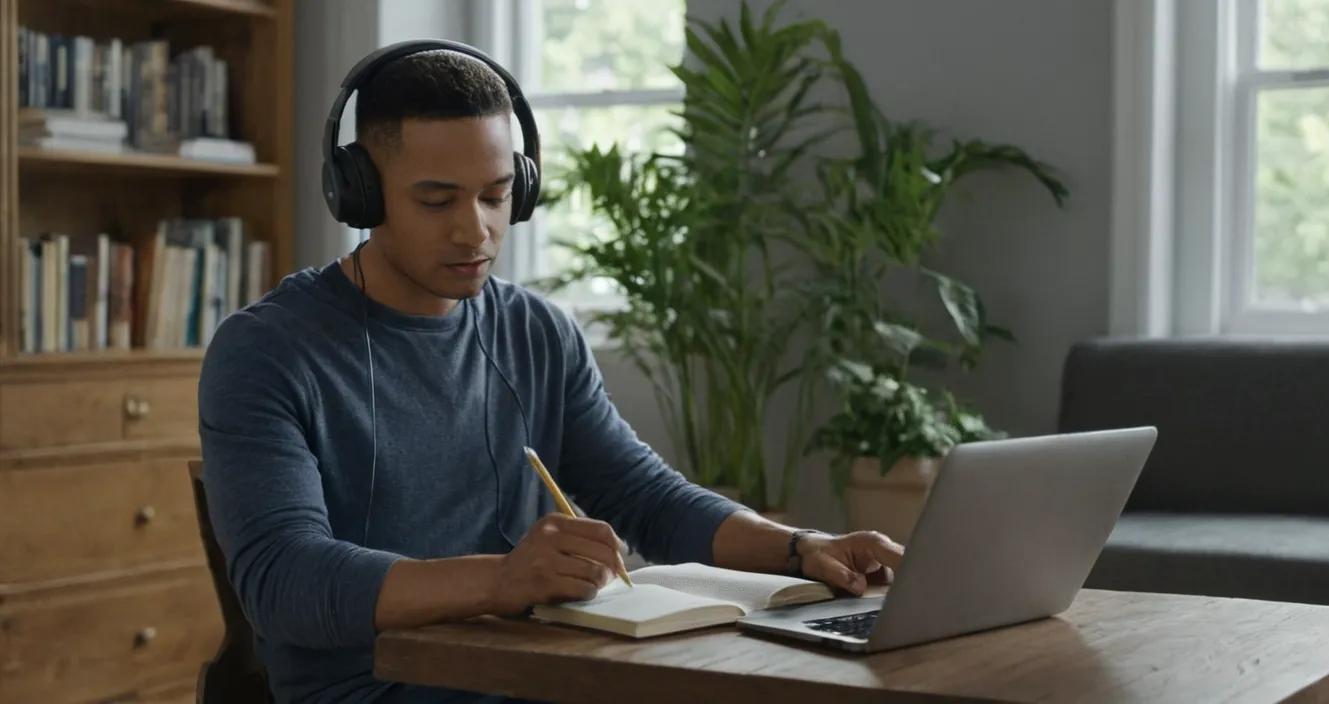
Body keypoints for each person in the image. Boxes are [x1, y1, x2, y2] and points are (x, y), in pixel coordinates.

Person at [197, 41, 904, 704]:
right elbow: (282, 580)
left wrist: (799, 549)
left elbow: (644, 496)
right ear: (361, 195)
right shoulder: (267, 351)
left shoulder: (537, 331)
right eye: (437, 200)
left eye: (497, 196)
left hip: (540, 672)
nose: (475, 231)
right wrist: (501, 579)